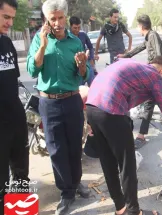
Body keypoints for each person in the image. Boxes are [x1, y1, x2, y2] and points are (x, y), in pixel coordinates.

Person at [86, 56, 162, 215]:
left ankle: (121, 209)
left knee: (109, 164)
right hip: (111, 110)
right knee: (127, 165)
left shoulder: (132, 65)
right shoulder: (154, 75)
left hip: (93, 109)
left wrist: (89, 120)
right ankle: (134, 212)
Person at [26, 0, 91, 214]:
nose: (57, 22)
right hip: (49, 102)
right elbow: (32, 70)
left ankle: (76, 182)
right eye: (52, 19)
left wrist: (82, 66)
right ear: (47, 19)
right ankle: (66, 191)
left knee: (75, 145)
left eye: (60, 17)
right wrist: (43, 46)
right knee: (56, 149)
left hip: (72, 100)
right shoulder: (39, 38)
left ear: (65, 16)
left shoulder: (75, 41)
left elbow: (84, 74)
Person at [0, 0, 30, 214]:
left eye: (12, 17)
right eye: (6, 17)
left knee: (21, 173)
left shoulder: (7, 43)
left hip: (16, 119)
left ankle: (21, 211)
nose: (10, 22)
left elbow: (12, 81)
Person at [120, 14, 162, 149]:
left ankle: (141, 136)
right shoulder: (148, 37)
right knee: (153, 102)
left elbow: (160, 56)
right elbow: (139, 48)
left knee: (148, 103)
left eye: (138, 27)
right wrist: (125, 56)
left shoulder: (153, 36)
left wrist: (157, 73)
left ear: (141, 26)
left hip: (157, 75)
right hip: (153, 73)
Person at [69, 16, 95, 86]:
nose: (77, 30)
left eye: (79, 28)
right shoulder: (67, 38)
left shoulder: (83, 35)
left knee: (93, 85)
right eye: (75, 28)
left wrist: (92, 58)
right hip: (74, 67)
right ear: (70, 26)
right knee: (79, 88)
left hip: (86, 62)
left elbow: (90, 47)